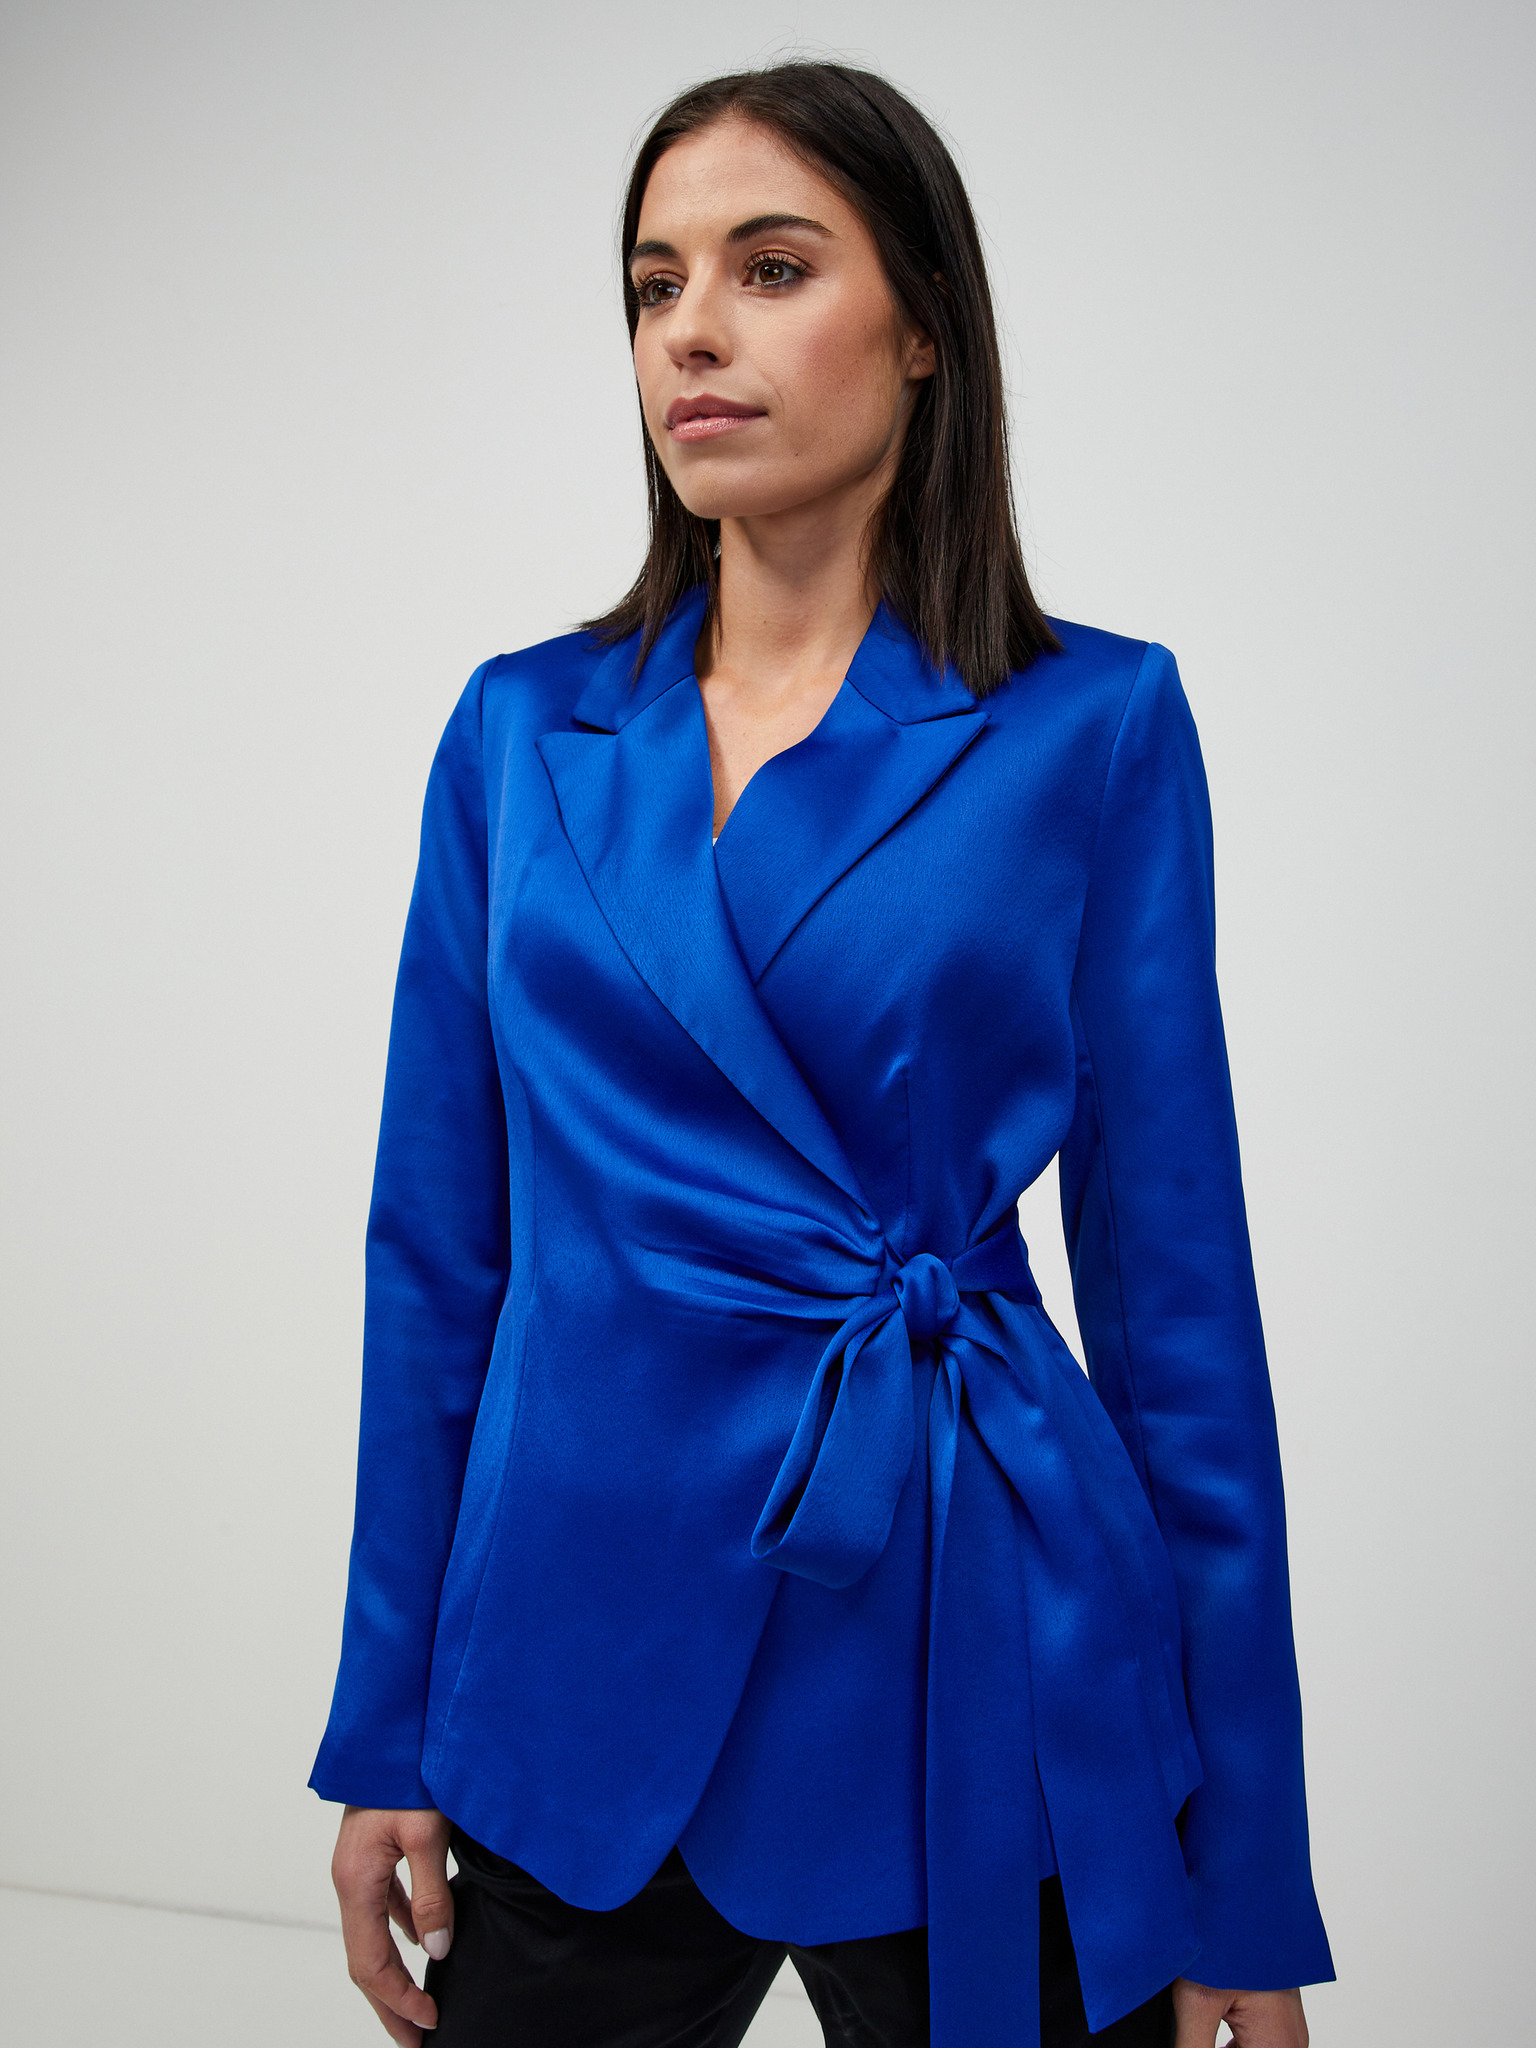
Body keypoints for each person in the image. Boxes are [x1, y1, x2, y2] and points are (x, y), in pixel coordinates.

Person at [310, 60, 1334, 2048]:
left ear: (925, 321)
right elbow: (437, 1262)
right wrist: (385, 1724)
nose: (691, 330)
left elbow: (1180, 1312)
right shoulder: (519, 734)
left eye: (770, 268)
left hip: (971, 1647)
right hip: (576, 1667)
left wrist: (1248, 1869)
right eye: (654, 283)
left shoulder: (1093, 727)